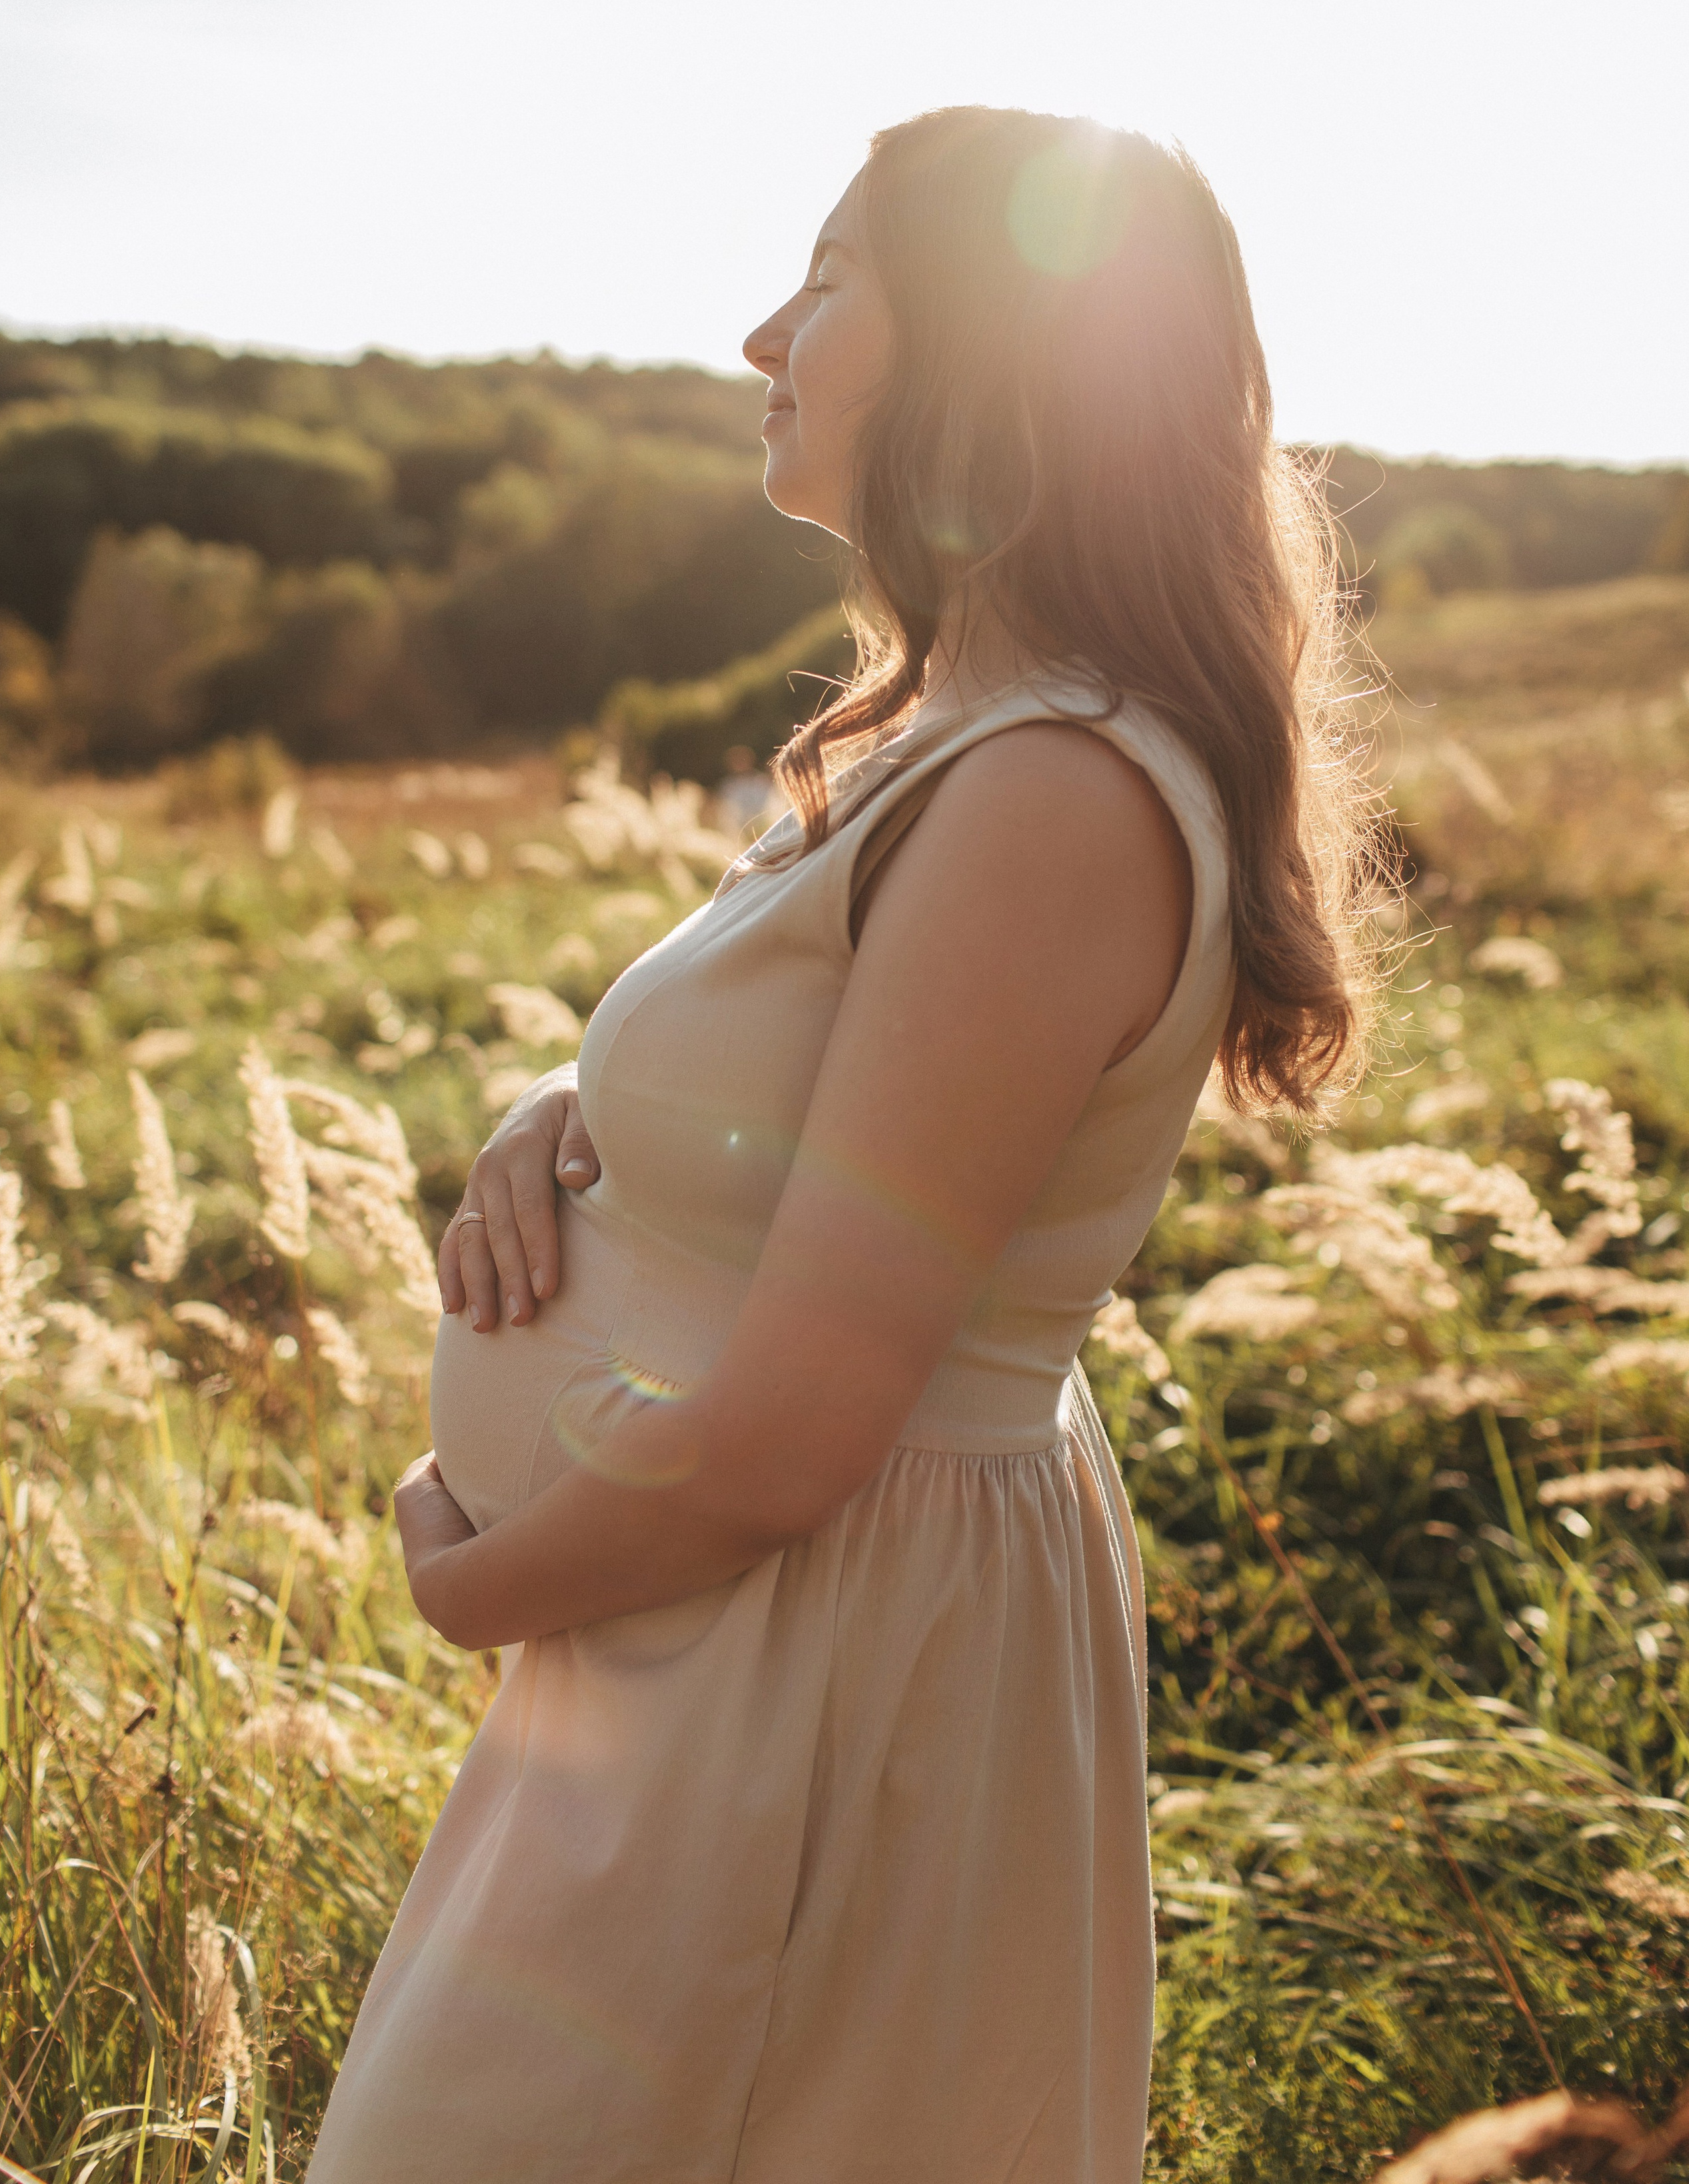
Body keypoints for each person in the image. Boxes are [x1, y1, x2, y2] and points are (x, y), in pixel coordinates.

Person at [307, 107, 1383, 2183]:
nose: (759, 337)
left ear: (990, 352)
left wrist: (467, 1585)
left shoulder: (1053, 795)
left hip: (814, 1640)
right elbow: (843, 1094)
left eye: (827, 281)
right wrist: (567, 1122)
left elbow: (799, 1431)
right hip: (733, 1625)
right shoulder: (950, 734)